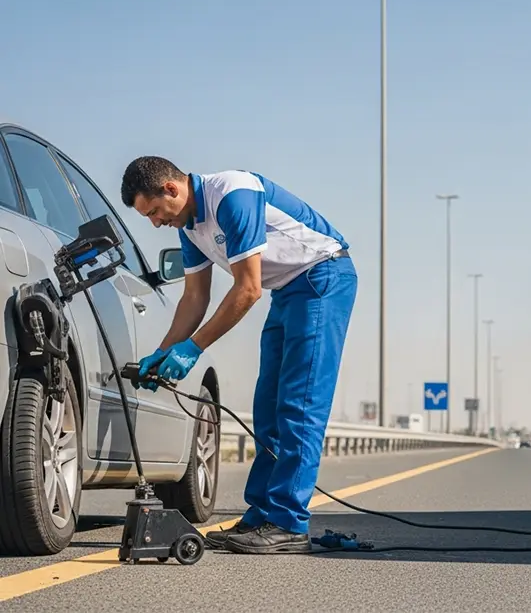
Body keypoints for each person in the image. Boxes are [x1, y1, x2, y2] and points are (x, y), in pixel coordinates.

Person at [120, 156, 358, 555]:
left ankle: (288, 523)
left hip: (322, 279)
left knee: (299, 407)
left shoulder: (232, 195)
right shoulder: (190, 227)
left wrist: (194, 348)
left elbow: (247, 290)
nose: (155, 222)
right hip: (288, 292)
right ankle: (264, 512)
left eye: (155, 211)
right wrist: (161, 353)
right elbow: (195, 299)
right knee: (267, 409)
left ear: (171, 189)